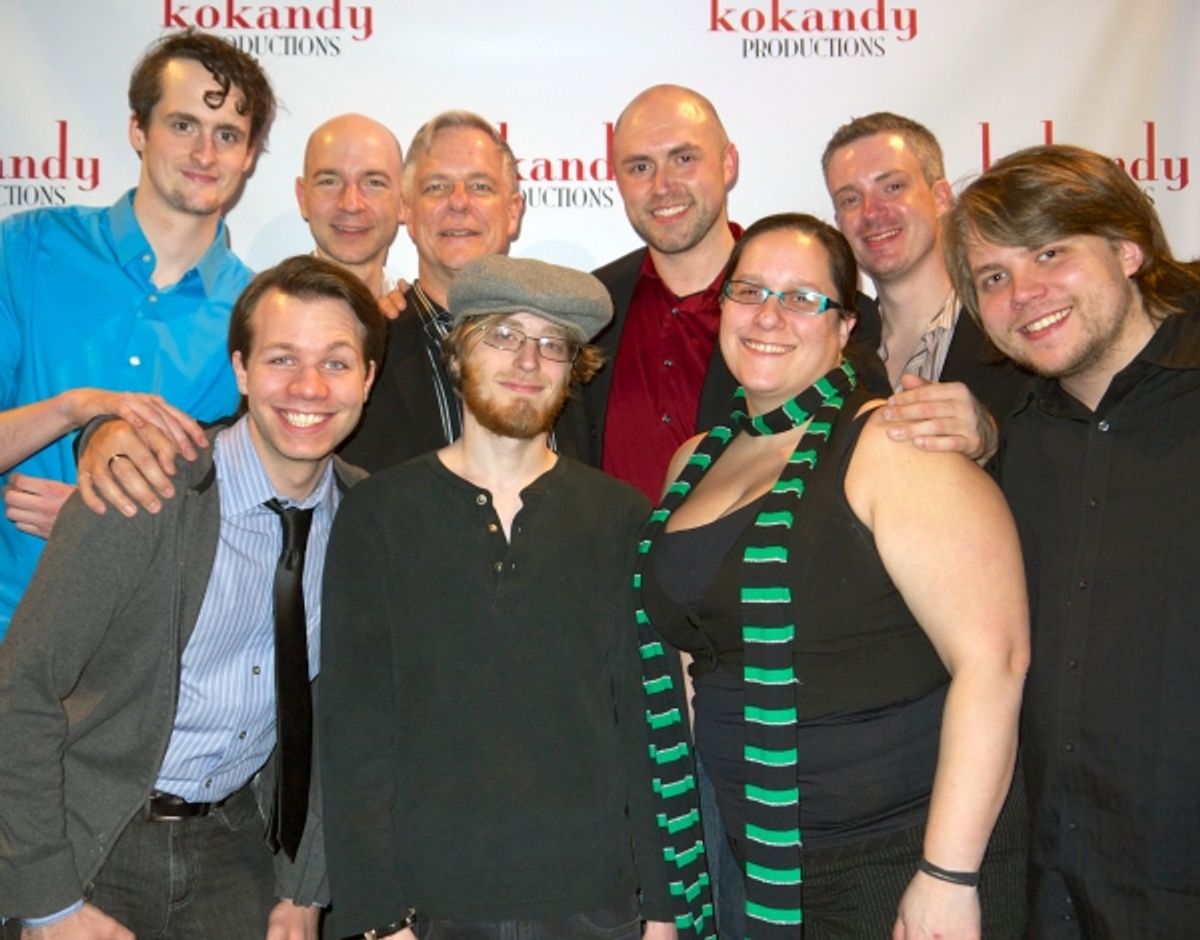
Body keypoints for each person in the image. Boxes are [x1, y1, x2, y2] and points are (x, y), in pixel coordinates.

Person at [635, 213, 1030, 938]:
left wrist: (947, 875)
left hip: (896, 859)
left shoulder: (894, 443)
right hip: (747, 857)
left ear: (846, 326)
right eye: (749, 291)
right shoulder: (694, 459)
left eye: (801, 298)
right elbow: (693, 656)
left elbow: (994, 661)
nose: (768, 316)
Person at [0, 256, 384, 939]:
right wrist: (47, 901)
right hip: (94, 841)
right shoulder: (142, 489)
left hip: (240, 848)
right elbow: (19, 689)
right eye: (282, 359)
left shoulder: (370, 519)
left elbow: (345, 721)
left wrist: (306, 887)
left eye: (336, 363)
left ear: (368, 379)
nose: (309, 387)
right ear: (240, 370)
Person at [319, 254, 674, 940]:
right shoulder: (379, 515)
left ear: (573, 371)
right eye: (503, 335)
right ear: (458, 354)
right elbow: (353, 732)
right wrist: (376, 917)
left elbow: (645, 724)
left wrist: (662, 909)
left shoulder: (623, 519)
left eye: (552, 344)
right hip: (427, 909)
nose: (528, 360)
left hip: (596, 905)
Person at [943, 143, 1200, 939]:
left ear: (1128, 249)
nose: (1024, 293)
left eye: (1050, 252)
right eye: (993, 277)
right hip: (1045, 889)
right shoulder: (1004, 442)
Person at [0, 30, 276, 642]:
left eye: (227, 134)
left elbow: (247, 518)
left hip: (146, 661)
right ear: (137, 130)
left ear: (250, 156)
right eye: (183, 125)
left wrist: (92, 522)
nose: (204, 152)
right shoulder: (27, 250)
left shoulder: (259, 314)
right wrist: (77, 407)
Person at [822, 112, 1026, 459]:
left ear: (942, 197)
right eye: (850, 199)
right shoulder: (833, 350)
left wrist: (991, 442)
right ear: (839, 222)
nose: (871, 212)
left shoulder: (1015, 325)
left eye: (892, 187)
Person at [337, 111, 524, 471]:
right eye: (436, 187)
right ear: (407, 210)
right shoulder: (362, 347)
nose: (458, 202)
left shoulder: (560, 350)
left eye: (480, 186)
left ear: (513, 211)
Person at [295, 113, 405, 298]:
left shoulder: (423, 314)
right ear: (303, 198)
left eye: (374, 183)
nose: (351, 205)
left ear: (403, 202)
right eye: (330, 182)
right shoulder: (263, 312)